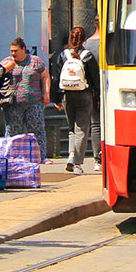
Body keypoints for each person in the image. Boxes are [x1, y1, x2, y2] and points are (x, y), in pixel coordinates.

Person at [51, 26, 100, 174]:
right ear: (84, 39)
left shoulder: (63, 55)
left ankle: (71, 155)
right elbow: (95, 79)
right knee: (82, 129)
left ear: (70, 40)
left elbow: (56, 78)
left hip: (66, 94)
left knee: (72, 127)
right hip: (84, 94)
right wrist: (97, 96)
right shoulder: (88, 56)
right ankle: (78, 164)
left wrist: (56, 98)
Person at [1, 37, 50, 161]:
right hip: (13, 104)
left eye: (16, 50)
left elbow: (45, 76)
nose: (13, 53)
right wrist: (7, 68)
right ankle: (11, 157)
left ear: (23, 49)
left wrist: (46, 93)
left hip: (34, 103)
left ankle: (41, 156)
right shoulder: (7, 62)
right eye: (11, 51)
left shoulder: (35, 61)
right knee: (12, 131)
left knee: (37, 130)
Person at [82, 16, 103, 171]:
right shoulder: (110, 41)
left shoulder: (87, 44)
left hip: (91, 90)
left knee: (96, 124)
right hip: (108, 87)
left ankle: (98, 159)